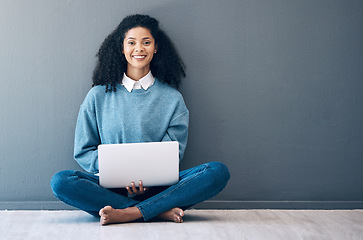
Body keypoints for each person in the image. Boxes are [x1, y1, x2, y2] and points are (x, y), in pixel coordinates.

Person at [50, 14, 230, 225]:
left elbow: (173, 153)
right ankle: (156, 211)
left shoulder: (172, 99)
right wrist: (121, 174)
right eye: (131, 42)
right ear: (122, 48)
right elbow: (84, 150)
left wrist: (148, 178)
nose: (139, 48)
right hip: (110, 186)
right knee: (61, 182)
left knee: (217, 172)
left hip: (159, 188)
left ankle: (128, 213)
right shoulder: (97, 96)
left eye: (146, 42)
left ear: (156, 48)